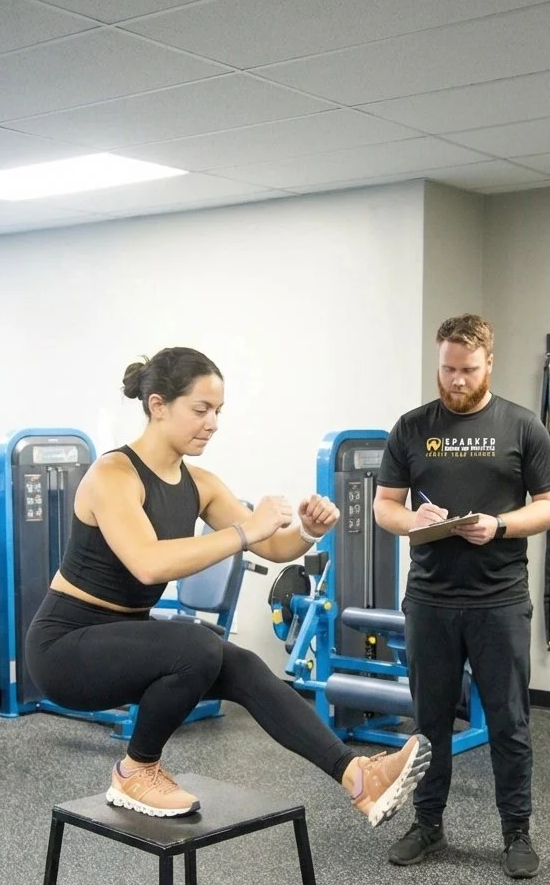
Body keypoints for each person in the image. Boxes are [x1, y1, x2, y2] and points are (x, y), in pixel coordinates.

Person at [25, 346, 430, 822]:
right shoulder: (113, 474)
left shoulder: (200, 482)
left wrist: (306, 532)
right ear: (158, 405)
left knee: (240, 664)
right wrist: (243, 532)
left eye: (218, 411)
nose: (213, 422)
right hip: (65, 647)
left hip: (122, 638)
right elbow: (148, 564)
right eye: (200, 409)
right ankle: (137, 770)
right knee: (197, 645)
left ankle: (358, 777)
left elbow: (274, 547)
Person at [373, 315, 550, 878]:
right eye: (448, 369)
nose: (457, 380)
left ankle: (517, 834)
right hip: (430, 599)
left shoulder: (521, 426)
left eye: (468, 370)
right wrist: (414, 519)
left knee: (508, 721)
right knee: (428, 720)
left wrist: (500, 525)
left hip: (498, 601)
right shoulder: (411, 428)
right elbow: (386, 504)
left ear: (489, 364)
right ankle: (427, 825)